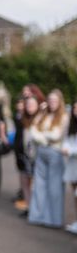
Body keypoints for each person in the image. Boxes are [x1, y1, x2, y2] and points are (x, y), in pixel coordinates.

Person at [28, 89, 69, 228]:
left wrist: (42, 136)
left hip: (55, 154)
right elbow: (33, 130)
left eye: (55, 100)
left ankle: (54, 220)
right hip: (41, 152)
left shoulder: (63, 116)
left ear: (60, 102)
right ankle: (38, 216)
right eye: (50, 100)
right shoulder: (43, 114)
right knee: (39, 186)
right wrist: (44, 138)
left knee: (54, 188)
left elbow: (56, 135)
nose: (52, 103)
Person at [62, 101, 77, 234]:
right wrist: (65, 148)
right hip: (73, 164)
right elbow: (67, 140)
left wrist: (70, 151)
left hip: (74, 158)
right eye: (75, 107)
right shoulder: (72, 125)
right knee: (74, 194)